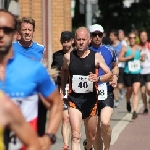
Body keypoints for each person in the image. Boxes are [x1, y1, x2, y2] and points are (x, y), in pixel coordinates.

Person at [0, 9, 63, 150]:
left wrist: (49, 137)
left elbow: (57, 103)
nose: (1, 34)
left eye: (7, 30)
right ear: (19, 34)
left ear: (13, 33)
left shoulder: (34, 69)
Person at [61, 27, 113, 150]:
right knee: (76, 136)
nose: (81, 42)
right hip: (74, 100)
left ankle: (88, 147)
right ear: (74, 40)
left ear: (89, 41)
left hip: (91, 102)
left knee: (92, 137)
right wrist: (63, 88)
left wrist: (98, 79)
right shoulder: (68, 57)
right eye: (78, 39)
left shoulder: (96, 57)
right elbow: (64, 72)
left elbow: (109, 74)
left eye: (83, 39)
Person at [83, 24, 118, 150]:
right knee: (95, 131)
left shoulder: (110, 51)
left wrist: (115, 77)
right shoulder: (85, 51)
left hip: (106, 91)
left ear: (103, 36)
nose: (97, 37)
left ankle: (107, 148)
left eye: (99, 35)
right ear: (90, 36)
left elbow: (115, 66)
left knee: (105, 122)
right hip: (90, 92)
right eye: (94, 35)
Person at [13, 17, 48, 137]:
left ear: (33, 31)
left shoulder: (40, 49)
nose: (27, 32)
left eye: (29, 29)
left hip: (36, 98)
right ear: (19, 31)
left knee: (39, 133)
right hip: (17, 97)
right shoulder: (11, 48)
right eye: (24, 30)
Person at [51, 31, 74, 150]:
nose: (66, 43)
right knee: (66, 118)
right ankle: (66, 145)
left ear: (72, 41)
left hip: (77, 90)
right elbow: (53, 73)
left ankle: (77, 139)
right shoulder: (56, 56)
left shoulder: (78, 54)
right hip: (62, 89)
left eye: (68, 41)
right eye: (64, 41)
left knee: (75, 120)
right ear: (61, 42)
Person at [119, 32, 141, 119]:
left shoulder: (138, 48)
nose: (132, 39)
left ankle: (135, 111)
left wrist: (141, 58)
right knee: (129, 91)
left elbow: (139, 59)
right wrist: (128, 58)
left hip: (137, 73)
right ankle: (128, 101)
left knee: (136, 91)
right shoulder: (125, 48)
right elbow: (119, 59)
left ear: (136, 39)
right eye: (130, 38)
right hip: (128, 73)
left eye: (134, 38)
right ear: (128, 39)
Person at [109, 30, 125, 107]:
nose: (110, 37)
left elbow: (123, 53)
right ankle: (117, 100)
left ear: (115, 36)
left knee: (120, 86)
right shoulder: (110, 46)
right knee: (114, 84)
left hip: (121, 66)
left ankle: (122, 91)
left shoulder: (121, 45)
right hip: (113, 67)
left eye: (111, 36)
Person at [139, 30, 150, 114]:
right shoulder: (137, 47)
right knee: (143, 92)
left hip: (149, 70)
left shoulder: (149, 45)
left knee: (149, 89)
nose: (143, 37)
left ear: (147, 37)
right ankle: (145, 107)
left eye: (144, 36)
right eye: (141, 36)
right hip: (140, 72)